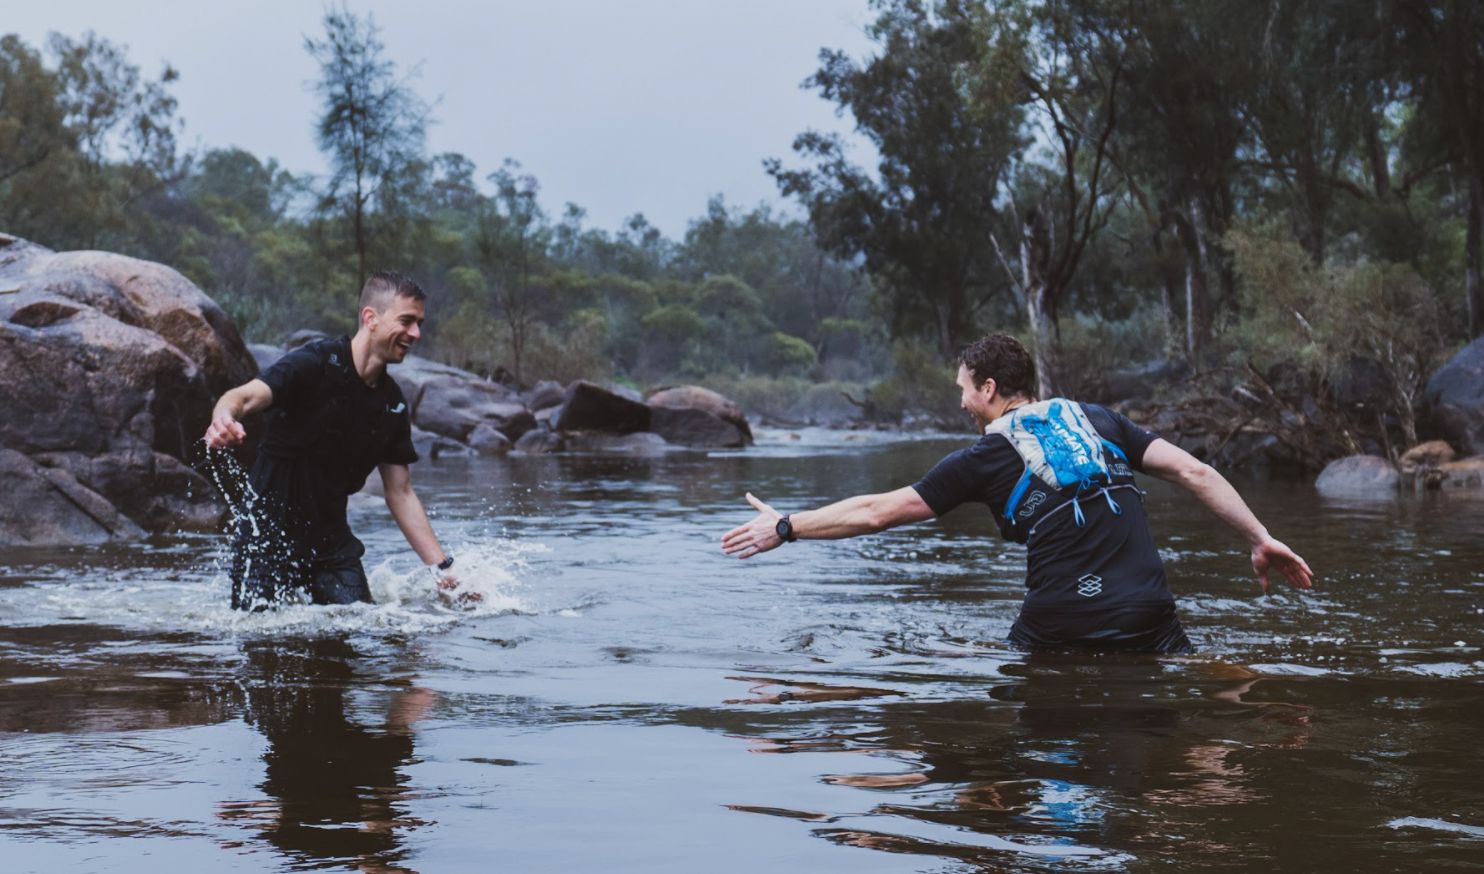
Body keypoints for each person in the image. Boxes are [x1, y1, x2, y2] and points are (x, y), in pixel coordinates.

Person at [721, 333, 1313, 653]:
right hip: (1149, 614)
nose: (959, 403)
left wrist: (787, 526)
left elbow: (877, 513)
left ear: (990, 387)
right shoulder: (1101, 421)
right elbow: (1197, 474)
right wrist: (1260, 538)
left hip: (1060, 620)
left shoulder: (983, 458)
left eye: (963, 390)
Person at [204, 270, 460, 610]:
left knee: (360, 630)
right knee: (260, 645)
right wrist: (223, 419)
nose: (416, 333)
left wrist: (443, 570)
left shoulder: (392, 403)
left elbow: (400, 493)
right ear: (371, 318)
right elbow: (243, 396)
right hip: (265, 541)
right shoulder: (315, 363)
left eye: (419, 323)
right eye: (407, 321)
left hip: (331, 550)